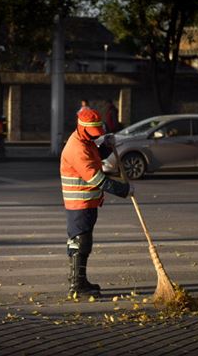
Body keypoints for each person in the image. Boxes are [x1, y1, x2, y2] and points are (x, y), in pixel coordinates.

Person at [60, 108, 133, 297]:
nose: (95, 137)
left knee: (84, 242)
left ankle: (80, 280)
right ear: (82, 128)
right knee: (79, 241)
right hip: (79, 203)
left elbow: (95, 157)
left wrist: (106, 147)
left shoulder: (85, 140)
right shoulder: (77, 148)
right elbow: (97, 179)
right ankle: (76, 285)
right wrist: (124, 190)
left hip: (87, 201)